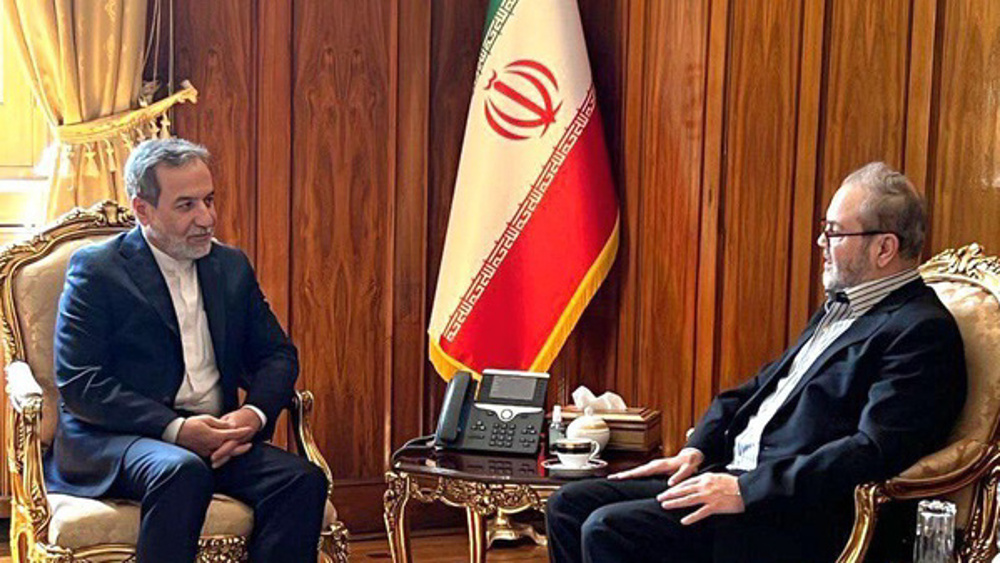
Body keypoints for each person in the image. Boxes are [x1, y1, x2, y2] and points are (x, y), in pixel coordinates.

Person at [546, 162, 967, 563]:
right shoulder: (841, 309)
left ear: (884, 248)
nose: (820, 243)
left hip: (791, 511)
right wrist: (696, 449)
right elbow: (757, 390)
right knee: (568, 505)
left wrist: (747, 489)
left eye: (833, 232)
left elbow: (871, 451)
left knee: (608, 529)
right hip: (733, 474)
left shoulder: (921, 332)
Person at [45, 138, 328, 562]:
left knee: (301, 480)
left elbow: (277, 355)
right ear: (143, 210)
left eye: (209, 200)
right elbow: (81, 383)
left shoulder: (230, 266)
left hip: (215, 433)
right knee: (181, 470)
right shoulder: (98, 270)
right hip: (120, 437)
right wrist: (175, 430)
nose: (207, 218)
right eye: (186, 205)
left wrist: (251, 416)